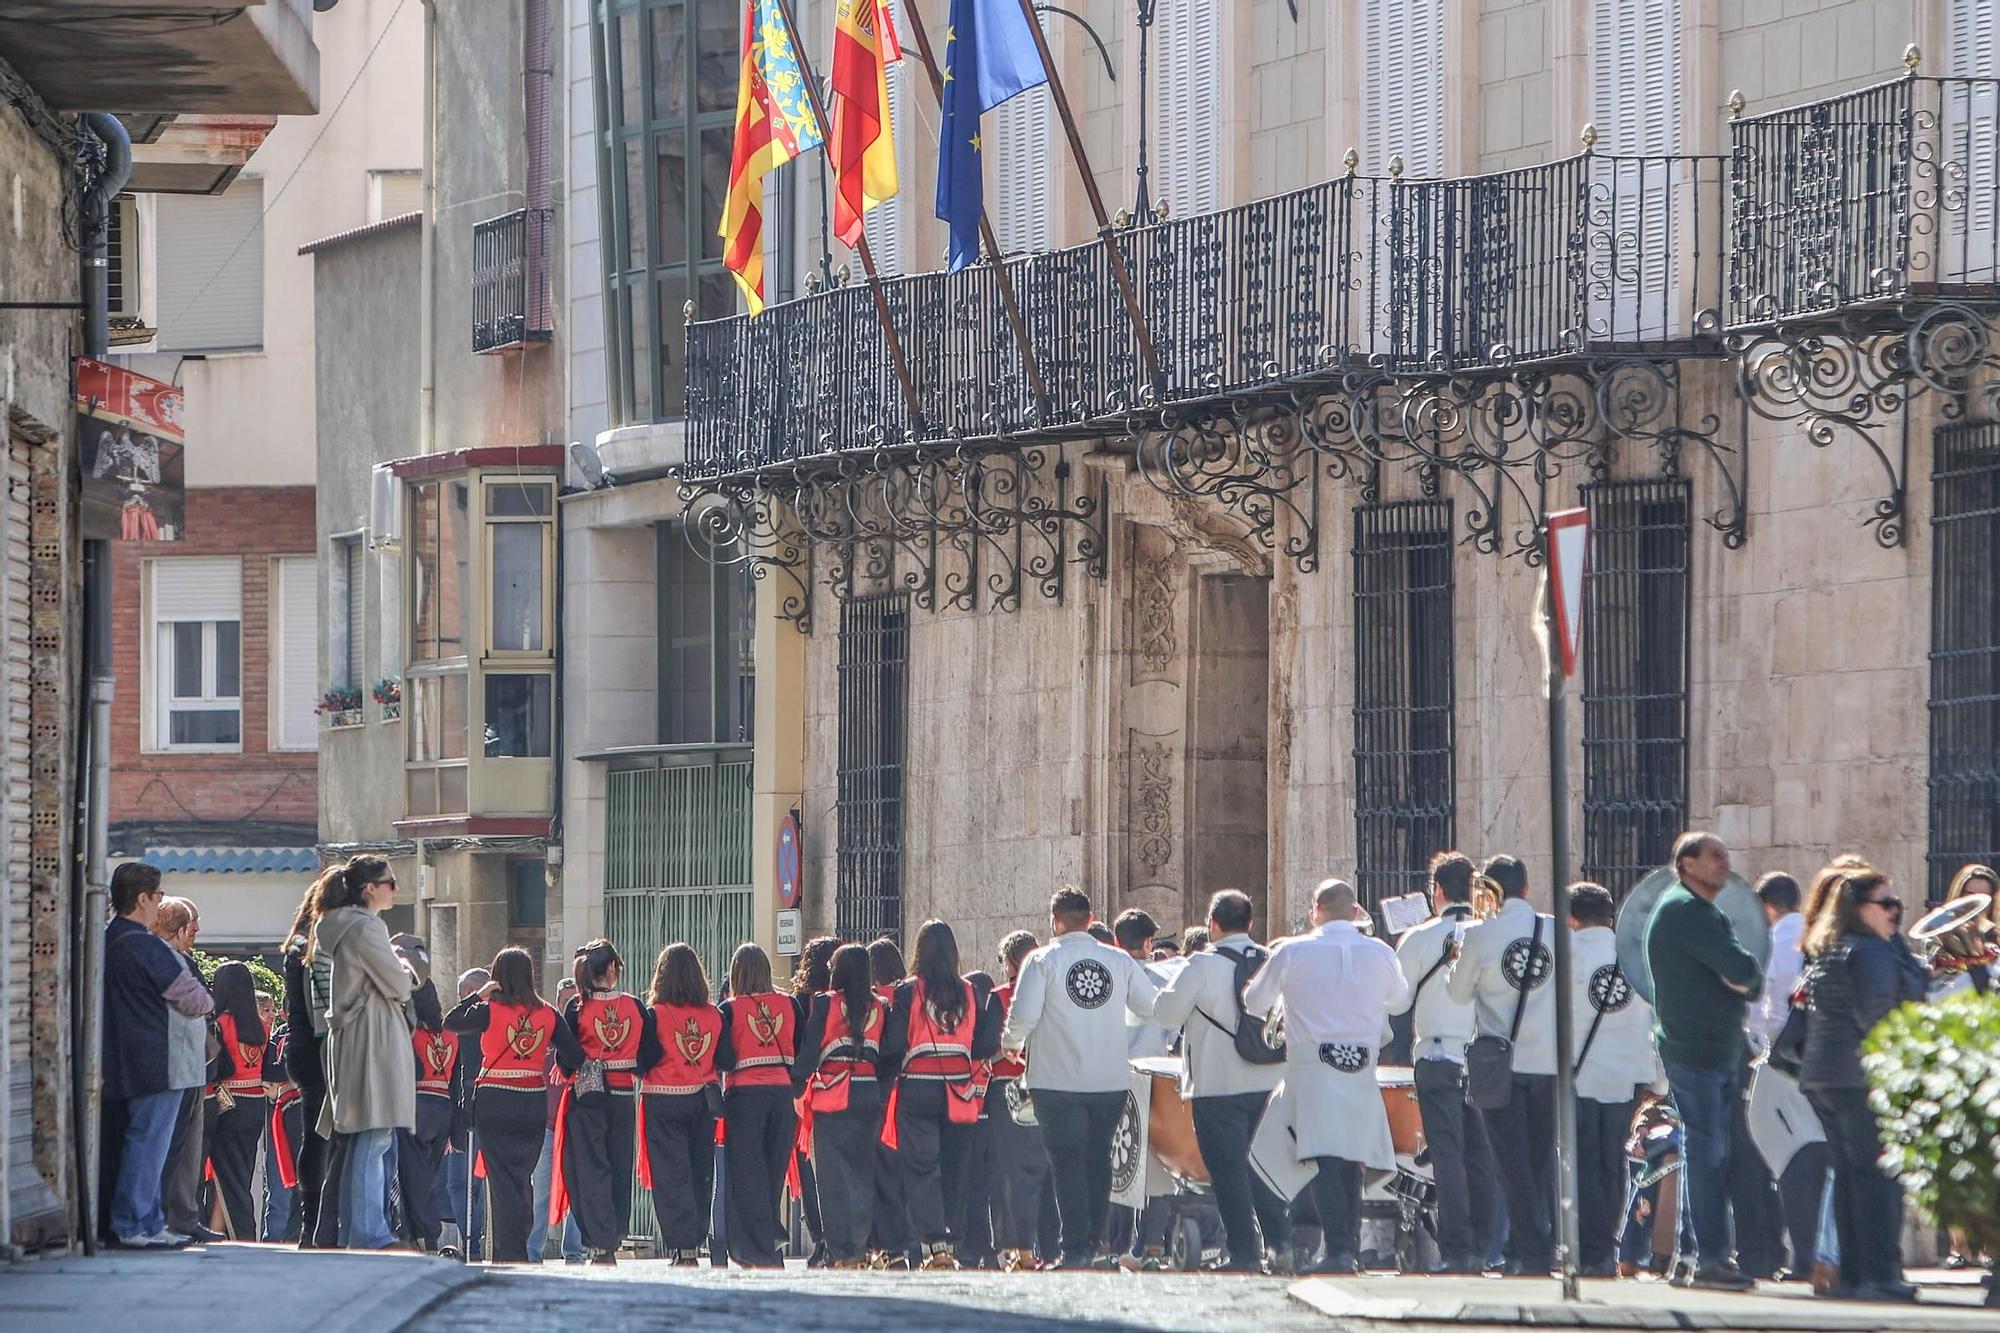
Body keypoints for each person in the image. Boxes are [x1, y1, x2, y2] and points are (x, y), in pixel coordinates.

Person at [1243, 878, 1409, 1274]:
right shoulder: (1380, 951)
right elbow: (1400, 1000)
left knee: (1323, 1156)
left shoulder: (1294, 950)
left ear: (1315, 911)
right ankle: (1344, 1249)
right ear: (1355, 913)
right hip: (1360, 1065)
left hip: (1313, 1065)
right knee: (1350, 1159)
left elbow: (1253, 1001)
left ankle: (1336, 1252)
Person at [1000, 885, 1162, 1269]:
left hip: (1055, 1080)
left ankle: (1074, 1247)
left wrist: (1012, 1042)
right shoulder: (1118, 960)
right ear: (1090, 920)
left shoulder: (1041, 960)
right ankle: (1094, 1241)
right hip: (1109, 1079)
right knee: (1099, 1159)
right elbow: (1146, 1006)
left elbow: (1023, 1015)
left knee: (1067, 1163)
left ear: (1054, 921)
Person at [1799, 866, 1928, 1303]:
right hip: (1861, 1078)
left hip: (1826, 1077)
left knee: (1852, 1178)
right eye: (1886, 904)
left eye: (1897, 905)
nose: (1895, 913)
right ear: (1859, 909)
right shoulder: (1871, 953)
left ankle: (1854, 1275)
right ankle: (1880, 1273)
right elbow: (1881, 1019)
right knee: (1877, 1181)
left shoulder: (1835, 947)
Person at [1643, 832, 1763, 1291]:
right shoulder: (1688, 913)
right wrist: (1743, 976)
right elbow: (1743, 970)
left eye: (1726, 856)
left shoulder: (1697, 912)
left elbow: (1743, 977)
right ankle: (1710, 1259)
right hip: (1698, 1053)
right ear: (1687, 864)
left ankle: (1692, 1257)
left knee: (1703, 1153)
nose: (1724, 865)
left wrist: (1743, 978)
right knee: (1707, 1155)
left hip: (1706, 1052)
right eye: (1715, 857)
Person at [1151, 888, 1291, 1273]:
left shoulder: (1200, 965)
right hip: (1270, 1082)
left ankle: (1245, 1252)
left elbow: (1166, 1013)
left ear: (1211, 924)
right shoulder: (1271, 960)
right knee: (1266, 1168)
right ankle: (1281, 1244)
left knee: (1228, 1172)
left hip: (1217, 1084)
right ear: (1249, 924)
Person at [1446, 854, 1561, 1275]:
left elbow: (1457, 995)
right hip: (1547, 1060)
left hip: (1500, 1063)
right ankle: (1525, 1246)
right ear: (1527, 889)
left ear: (1488, 891)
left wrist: (1462, 956)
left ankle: (1532, 1251)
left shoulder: (1480, 935)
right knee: (1537, 1159)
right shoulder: (1554, 931)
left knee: (1510, 1162)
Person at [1386, 852, 1495, 1274]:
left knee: (1447, 1153)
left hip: (1436, 1055)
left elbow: (1396, 1000)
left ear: (1437, 893)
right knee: (1481, 1156)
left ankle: (1457, 1249)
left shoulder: (1419, 936)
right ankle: (1485, 1245)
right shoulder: (1490, 934)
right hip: (1483, 1057)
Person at [312, 855, 423, 1250]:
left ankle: (363, 1229)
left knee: (367, 1136)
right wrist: (407, 969)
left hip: (360, 1034)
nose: (395, 887)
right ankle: (368, 1231)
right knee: (373, 1136)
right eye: (390, 881)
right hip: (372, 1036)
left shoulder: (347, 927)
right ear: (369, 888)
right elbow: (397, 982)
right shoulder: (364, 928)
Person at [446, 947, 583, 1262]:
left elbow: (452, 1021)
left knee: (501, 1177)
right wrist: (560, 1066)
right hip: (532, 1100)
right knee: (522, 1177)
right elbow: (574, 1054)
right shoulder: (548, 1012)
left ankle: (510, 1251)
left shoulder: (489, 1009)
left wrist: (477, 995)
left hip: (495, 1099)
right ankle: (518, 1246)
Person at [102, 864, 213, 1248]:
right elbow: (195, 997)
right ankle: (135, 1223)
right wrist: (208, 1000)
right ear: (143, 898)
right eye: (158, 895)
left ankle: (145, 1222)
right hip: (157, 1059)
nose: (160, 902)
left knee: (135, 1142)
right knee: (149, 1144)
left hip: (117, 1057)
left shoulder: (106, 940)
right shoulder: (147, 946)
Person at [885, 920, 1001, 1269]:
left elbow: (893, 1044)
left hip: (918, 1087)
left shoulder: (907, 992)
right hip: (959, 1090)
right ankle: (952, 1237)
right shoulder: (969, 992)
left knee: (922, 1167)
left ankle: (933, 1243)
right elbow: (982, 1043)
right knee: (955, 1167)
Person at [1566, 882, 1655, 1277]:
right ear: (1610, 916)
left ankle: (1591, 1249)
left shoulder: (1565, 954)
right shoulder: (1636, 956)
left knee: (1583, 1165)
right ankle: (1606, 1249)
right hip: (1627, 1075)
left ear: (1570, 917)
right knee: (1612, 1163)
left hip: (1581, 1074)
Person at [547, 939, 645, 1265]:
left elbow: (566, 1055)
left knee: (588, 1170)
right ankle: (614, 1237)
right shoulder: (634, 1006)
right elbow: (648, 1056)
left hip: (586, 1098)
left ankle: (599, 1242)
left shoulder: (576, 1006)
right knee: (619, 1168)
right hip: (622, 1098)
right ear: (614, 968)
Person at [795, 942, 888, 1268]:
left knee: (832, 1182)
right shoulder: (880, 1007)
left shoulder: (825, 1004)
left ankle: (840, 1252)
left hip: (833, 1099)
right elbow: (887, 1058)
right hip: (868, 1098)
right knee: (863, 1177)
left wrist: (796, 1086)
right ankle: (860, 1249)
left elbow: (808, 1054)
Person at [715, 942, 804, 1267]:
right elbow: (801, 1047)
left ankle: (755, 1249)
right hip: (782, 1098)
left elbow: (723, 1057)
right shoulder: (790, 1004)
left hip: (745, 1098)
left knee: (746, 1175)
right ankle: (768, 1247)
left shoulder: (730, 1009)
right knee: (772, 1175)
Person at [636, 943, 722, 1265]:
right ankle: (696, 1240)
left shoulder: (655, 1015)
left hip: (663, 1100)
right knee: (701, 1171)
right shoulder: (714, 1014)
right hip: (702, 1101)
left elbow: (644, 1062)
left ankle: (682, 1245)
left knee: (671, 1176)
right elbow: (724, 1056)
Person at [152, 896, 217, 1244]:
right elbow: (200, 1001)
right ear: (179, 930)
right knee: (169, 1147)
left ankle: (184, 1216)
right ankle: (164, 1217)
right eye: (191, 928)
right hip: (174, 1064)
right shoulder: (165, 958)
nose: (195, 934)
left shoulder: (182, 959)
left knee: (186, 1149)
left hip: (192, 1065)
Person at [984, 930, 1049, 1272]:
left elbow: (984, 1048)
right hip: (1046, 1086)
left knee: (1009, 1171)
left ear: (1009, 962)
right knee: (1043, 1170)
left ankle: (1013, 1245)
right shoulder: (1052, 993)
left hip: (1005, 1089)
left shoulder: (999, 997)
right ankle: (1046, 1246)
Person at [280, 881, 337, 1247]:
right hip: (318, 1047)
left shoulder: (298, 944)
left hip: (301, 1047)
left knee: (315, 1138)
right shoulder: (316, 948)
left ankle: (313, 1221)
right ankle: (315, 1221)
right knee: (321, 1138)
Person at [205, 961, 274, 1240]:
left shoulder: (219, 1025)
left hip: (228, 1104)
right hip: (256, 1103)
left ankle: (241, 1235)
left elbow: (215, 1067)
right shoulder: (259, 1026)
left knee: (228, 1175)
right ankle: (238, 1230)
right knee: (242, 1173)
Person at [866, 935, 915, 1266]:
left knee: (884, 1173)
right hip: (921, 1086)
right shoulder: (914, 991)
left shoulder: (879, 999)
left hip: (885, 1093)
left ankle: (890, 1247)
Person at [399, 976, 457, 1252]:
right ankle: (421, 1235)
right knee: (429, 1175)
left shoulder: (410, 1032)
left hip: (416, 1104)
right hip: (443, 1107)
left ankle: (424, 1233)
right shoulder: (449, 1034)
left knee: (413, 1175)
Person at [530, 976, 585, 1263]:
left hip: (576, 1123)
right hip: (547, 1126)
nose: (571, 1007)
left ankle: (574, 1251)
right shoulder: (547, 1034)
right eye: (566, 1002)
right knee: (540, 1193)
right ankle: (532, 1251)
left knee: (578, 1191)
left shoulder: (585, 1035)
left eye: (575, 1001)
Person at [436, 966, 489, 1259]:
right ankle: (473, 1244)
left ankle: (474, 1246)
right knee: (463, 1185)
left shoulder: (482, 1019)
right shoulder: (473, 1021)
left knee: (468, 1185)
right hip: (466, 1111)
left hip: (478, 1110)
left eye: (462, 995)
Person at [1750, 873, 1804, 1053]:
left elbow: (1755, 998)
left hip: (1777, 1041)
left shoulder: (1769, 944)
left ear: (1765, 907)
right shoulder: (1819, 936)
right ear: (1797, 902)